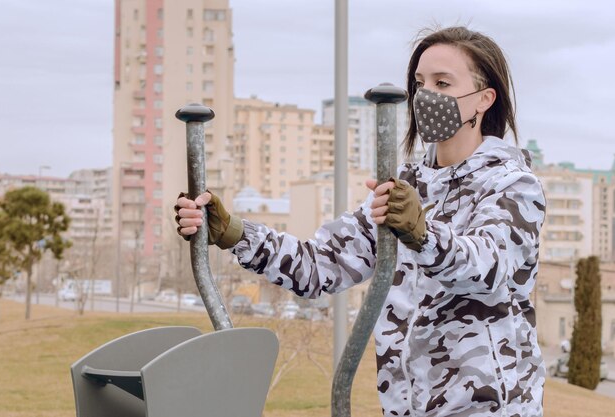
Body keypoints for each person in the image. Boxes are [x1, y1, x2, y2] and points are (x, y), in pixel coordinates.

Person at [175, 26, 546, 417]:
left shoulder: (513, 185)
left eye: (443, 82)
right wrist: (235, 232)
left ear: (484, 99)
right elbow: (320, 266)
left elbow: (485, 268)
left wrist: (421, 233)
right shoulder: (405, 186)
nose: (426, 96)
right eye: (419, 83)